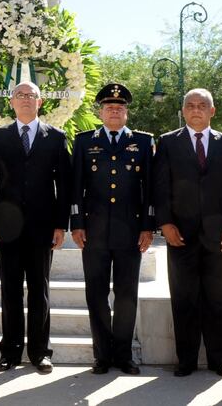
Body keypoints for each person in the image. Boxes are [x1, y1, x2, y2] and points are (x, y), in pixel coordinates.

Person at [153, 88, 222, 379]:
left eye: (202, 105)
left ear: (212, 111)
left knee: (219, 299)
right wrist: (165, 223)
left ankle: (221, 360)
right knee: (184, 298)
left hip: (220, 237)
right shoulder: (168, 143)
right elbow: (160, 187)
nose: (196, 110)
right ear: (183, 111)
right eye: (190, 105)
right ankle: (187, 360)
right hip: (179, 235)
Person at [0, 81, 72, 373]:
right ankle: (9, 351)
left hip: (42, 228)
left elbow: (65, 185)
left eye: (30, 95)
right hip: (7, 228)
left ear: (40, 101)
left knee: (39, 290)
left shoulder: (56, 137)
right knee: (10, 290)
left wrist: (61, 224)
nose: (25, 99)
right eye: (20, 95)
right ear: (11, 102)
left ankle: (39, 352)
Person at [71, 83, 154, 375]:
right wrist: (76, 223)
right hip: (93, 232)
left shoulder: (143, 142)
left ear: (126, 112)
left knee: (126, 294)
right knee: (96, 294)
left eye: (119, 108)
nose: (114, 111)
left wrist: (148, 226)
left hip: (130, 232)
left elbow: (149, 190)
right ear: (101, 112)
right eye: (109, 107)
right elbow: (76, 187)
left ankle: (123, 356)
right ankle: (102, 356)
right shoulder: (83, 142)